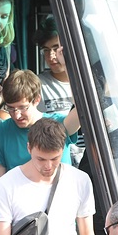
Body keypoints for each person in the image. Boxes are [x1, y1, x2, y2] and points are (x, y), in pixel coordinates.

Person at [0, 69, 81, 183]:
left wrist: (66, 64)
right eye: (10, 108)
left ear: (37, 99)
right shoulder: (2, 130)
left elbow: (83, 106)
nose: (17, 115)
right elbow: (0, 181)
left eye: (23, 107)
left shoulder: (58, 123)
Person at [34, 16, 84, 166]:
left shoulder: (88, 82)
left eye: (56, 49)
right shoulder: (38, 84)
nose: (51, 56)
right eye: (46, 50)